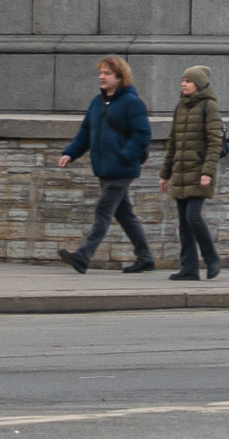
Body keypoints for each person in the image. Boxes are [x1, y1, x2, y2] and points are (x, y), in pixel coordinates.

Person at [55, 54, 156, 274]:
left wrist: (125, 156)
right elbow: (85, 133)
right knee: (124, 214)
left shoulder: (132, 103)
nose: (102, 77)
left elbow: (143, 133)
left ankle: (83, 256)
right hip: (104, 167)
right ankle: (146, 257)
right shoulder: (96, 102)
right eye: (101, 72)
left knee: (103, 209)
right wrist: (70, 154)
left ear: (120, 77)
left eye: (107, 73)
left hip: (121, 168)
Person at [161, 61, 223, 282]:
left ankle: (211, 258)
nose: (183, 84)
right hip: (180, 172)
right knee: (184, 223)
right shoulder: (180, 107)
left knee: (193, 216)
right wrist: (165, 173)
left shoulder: (209, 106)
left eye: (188, 81)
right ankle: (189, 268)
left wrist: (207, 171)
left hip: (199, 172)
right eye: (183, 80)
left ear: (199, 84)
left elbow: (215, 143)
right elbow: (172, 142)